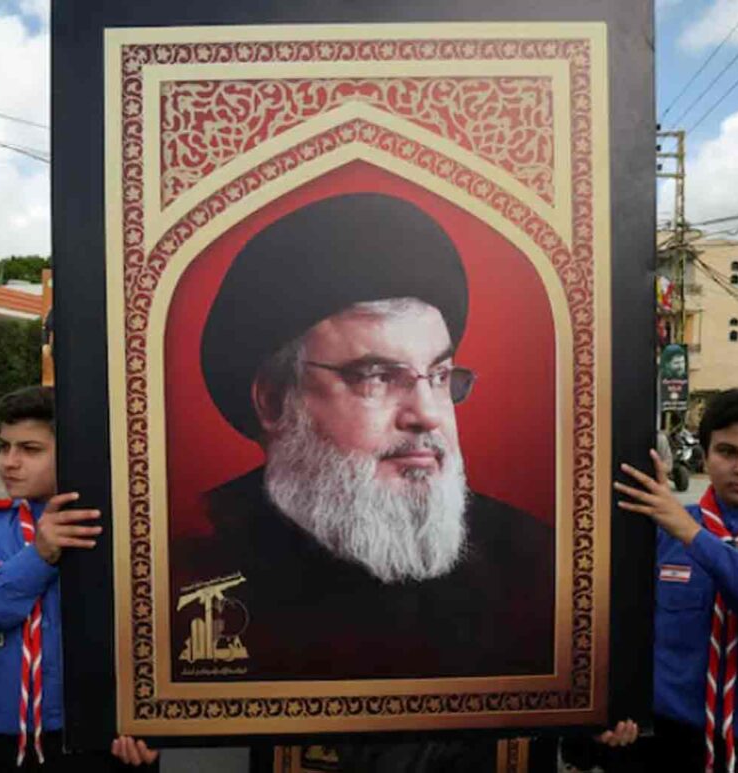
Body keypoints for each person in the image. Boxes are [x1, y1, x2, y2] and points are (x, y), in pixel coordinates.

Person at [172, 193, 554, 682]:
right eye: (374, 376)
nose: (426, 416)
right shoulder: (189, 560)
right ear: (272, 400)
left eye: (439, 376)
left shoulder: (532, 563)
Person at [0, 386, 158, 771]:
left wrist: (157, 722)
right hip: (6, 741)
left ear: (75, 448)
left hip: (107, 738)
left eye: (30, 449)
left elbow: (161, 634)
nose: (8, 463)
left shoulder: (128, 526)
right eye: (5, 446)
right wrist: (35, 560)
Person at [615, 388, 738, 773]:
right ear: (705, 454)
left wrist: (695, 537)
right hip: (668, 740)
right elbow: (621, 625)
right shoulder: (661, 529)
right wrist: (610, 710)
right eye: (728, 451)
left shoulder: (682, 529)